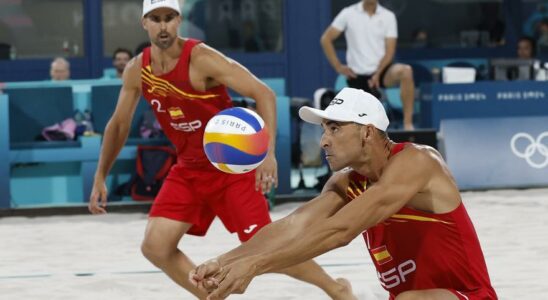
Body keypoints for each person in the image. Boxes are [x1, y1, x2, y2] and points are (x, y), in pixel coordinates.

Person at [87, 0, 354, 299]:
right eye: (155, 18)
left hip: (229, 167)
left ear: (179, 20)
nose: (163, 25)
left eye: (169, 18)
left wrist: (268, 154)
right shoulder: (138, 70)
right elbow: (118, 125)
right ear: (144, 23)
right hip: (188, 168)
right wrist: (101, 175)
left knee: (265, 244)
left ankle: (335, 288)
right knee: (155, 247)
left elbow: (263, 93)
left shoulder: (202, 59)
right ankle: (209, 296)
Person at [191, 88, 498, 300]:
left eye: (334, 129)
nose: (324, 141)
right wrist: (224, 261)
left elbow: (341, 230)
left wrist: (256, 266)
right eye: (324, 130)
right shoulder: (344, 183)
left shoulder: (417, 161)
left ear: (367, 131)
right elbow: (294, 226)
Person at [320, 0, 415, 130]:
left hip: (382, 72)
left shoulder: (388, 16)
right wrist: (338, 66)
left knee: (406, 71)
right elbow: (326, 39)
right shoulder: (348, 13)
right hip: (357, 76)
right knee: (361, 125)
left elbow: (390, 51)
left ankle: (408, 124)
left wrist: (378, 73)